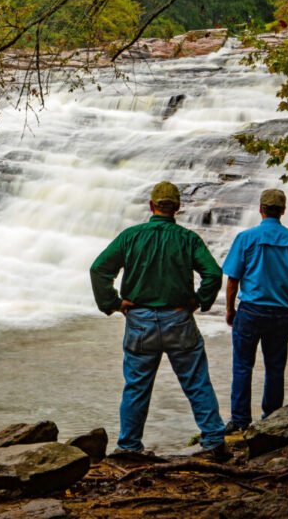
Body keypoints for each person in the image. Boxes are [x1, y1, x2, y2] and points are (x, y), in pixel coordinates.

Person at [90, 181, 228, 459]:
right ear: (177, 208)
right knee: (197, 382)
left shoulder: (131, 237)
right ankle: (214, 441)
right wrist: (199, 300)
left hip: (139, 322)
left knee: (136, 387)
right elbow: (213, 274)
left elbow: (99, 269)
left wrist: (113, 303)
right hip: (178, 319)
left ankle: (129, 446)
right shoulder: (188, 239)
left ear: (151, 206)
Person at [221, 189, 288, 433]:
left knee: (242, 366)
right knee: (275, 367)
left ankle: (240, 421)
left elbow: (233, 280)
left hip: (250, 311)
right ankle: (271, 419)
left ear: (260, 210)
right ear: (283, 211)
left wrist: (230, 310)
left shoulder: (246, 238)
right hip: (281, 314)